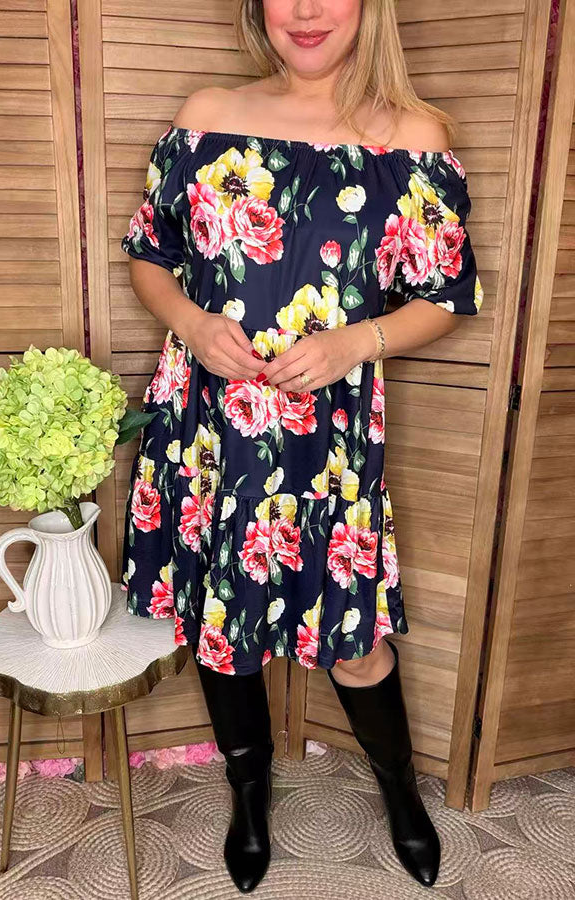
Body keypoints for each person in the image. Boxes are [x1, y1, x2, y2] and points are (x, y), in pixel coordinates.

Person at [119, 0, 484, 892]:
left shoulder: (414, 137)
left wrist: (359, 341)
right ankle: (249, 795)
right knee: (224, 627)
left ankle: (399, 792)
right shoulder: (207, 116)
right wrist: (192, 324)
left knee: (354, 637)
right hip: (206, 428)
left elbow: (446, 294)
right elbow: (150, 254)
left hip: (329, 440)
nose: (308, 9)